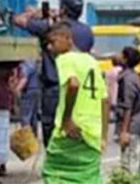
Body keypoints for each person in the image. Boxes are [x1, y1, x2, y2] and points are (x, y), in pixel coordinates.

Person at [13, 0, 96, 145]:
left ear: (63, 9)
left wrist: (32, 14)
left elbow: (18, 20)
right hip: (80, 86)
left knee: (51, 128)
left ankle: (53, 159)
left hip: (55, 88)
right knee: (76, 125)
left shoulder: (52, 28)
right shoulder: (87, 31)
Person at [41, 23, 109, 184]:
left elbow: (73, 84)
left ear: (67, 39)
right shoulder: (91, 61)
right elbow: (105, 100)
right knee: (87, 177)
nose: (50, 48)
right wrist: (103, 136)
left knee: (55, 173)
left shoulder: (64, 59)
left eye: (53, 42)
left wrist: (66, 119)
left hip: (71, 131)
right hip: (92, 134)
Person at [117, 46, 140, 174]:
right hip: (135, 122)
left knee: (129, 162)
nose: (117, 56)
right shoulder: (132, 76)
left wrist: (124, 131)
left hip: (132, 125)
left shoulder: (128, 79)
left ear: (126, 59)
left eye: (121, 54)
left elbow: (128, 106)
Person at [18, 58, 42, 135]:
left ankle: (27, 139)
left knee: (25, 117)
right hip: (36, 89)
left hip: (28, 91)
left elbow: (24, 78)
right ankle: (34, 138)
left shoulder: (27, 61)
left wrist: (16, 90)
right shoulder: (33, 60)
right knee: (33, 118)